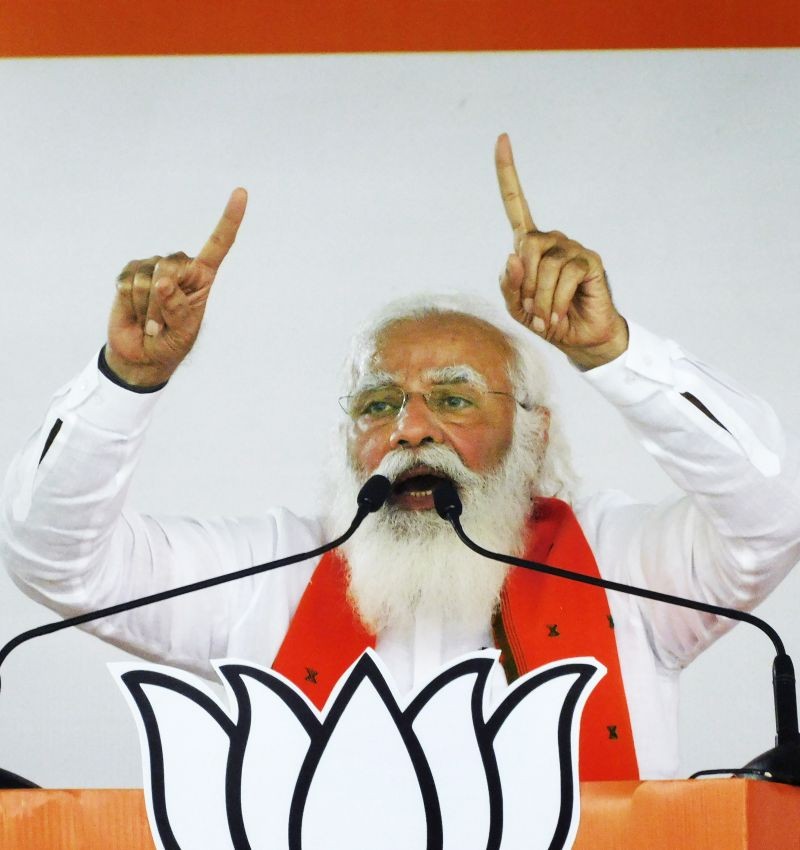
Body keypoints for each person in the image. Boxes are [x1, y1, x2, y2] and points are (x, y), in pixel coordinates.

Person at [2, 135, 799, 781]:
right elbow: (56, 560)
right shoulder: (267, 574)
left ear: (535, 433)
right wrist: (127, 381)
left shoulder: (625, 566)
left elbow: (775, 511)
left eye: (454, 398)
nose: (410, 428)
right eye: (377, 404)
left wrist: (613, 353)